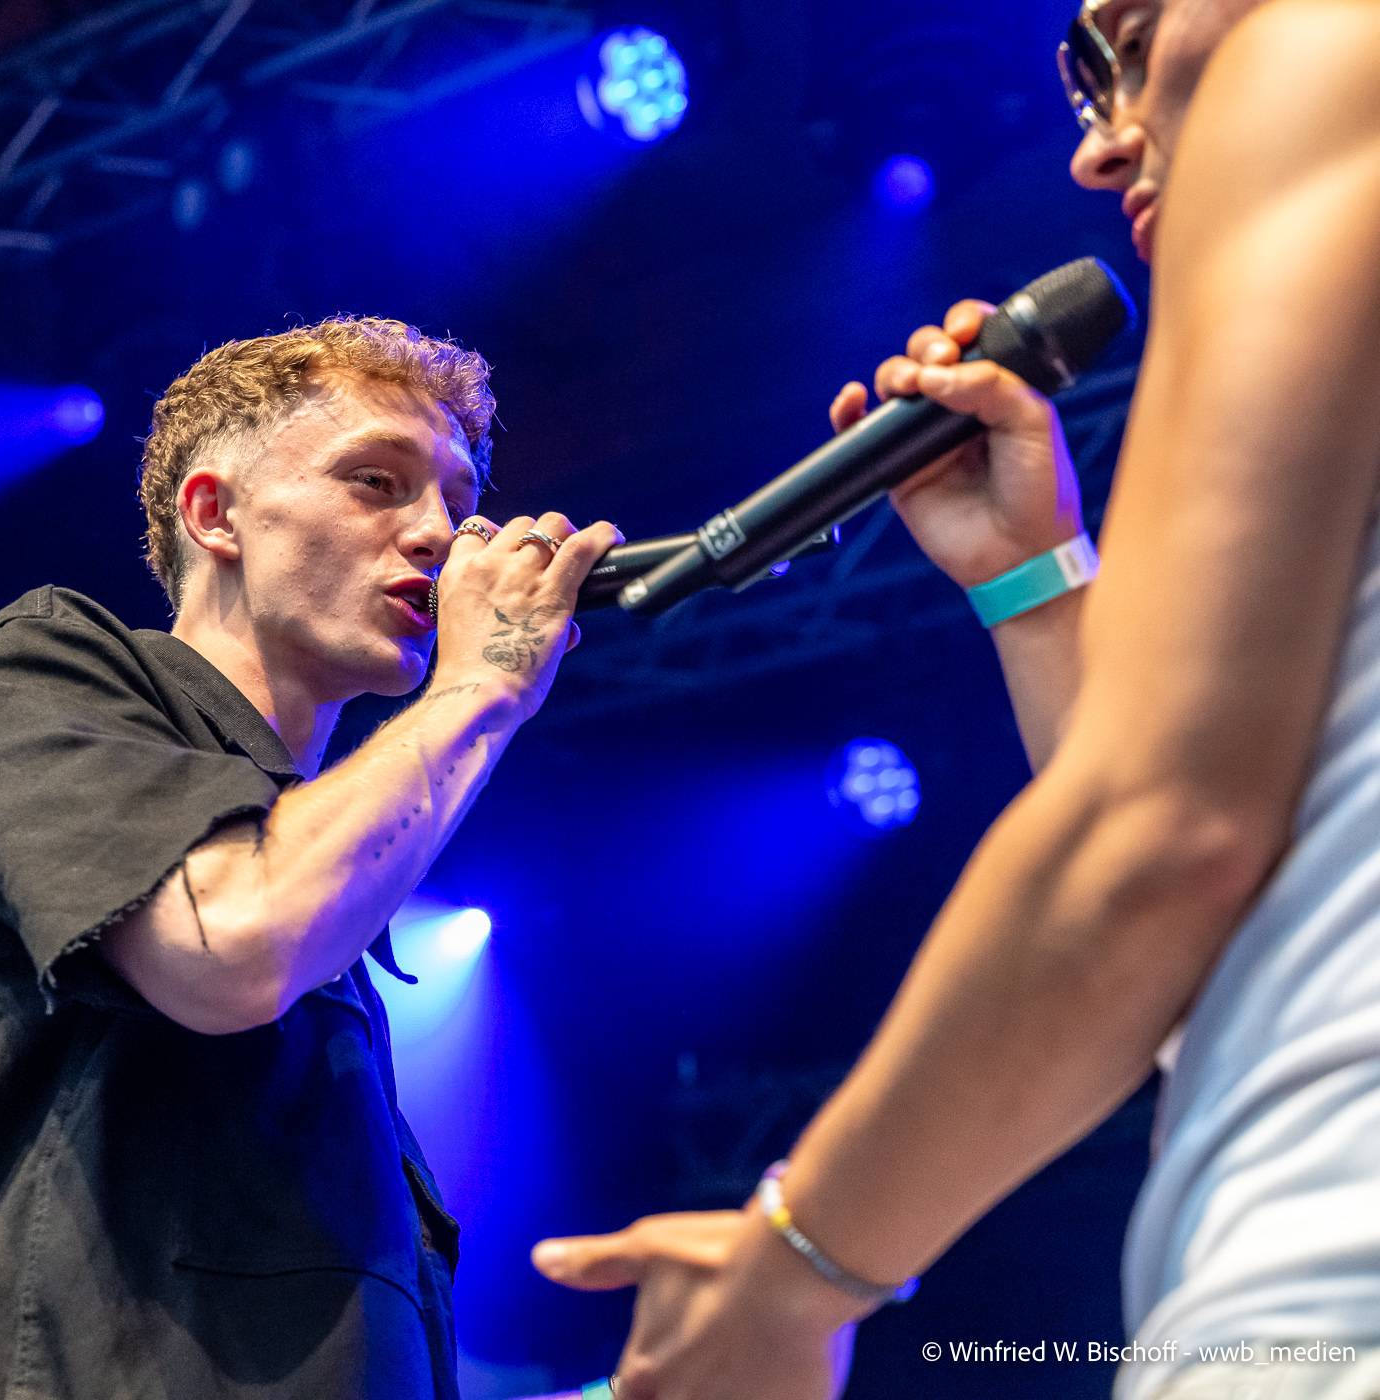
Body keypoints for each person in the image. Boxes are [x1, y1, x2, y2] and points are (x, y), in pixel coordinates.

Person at [531, 2, 1380, 1397]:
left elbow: (1154, 839)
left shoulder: (1324, 46)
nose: (1096, 146)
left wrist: (794, 1269)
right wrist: (1028, 578)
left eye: (1127, 41)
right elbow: (1213, 916)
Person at [0, 316, 621, 1399]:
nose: (441, 536)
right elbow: (230, 944)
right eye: (377, 481)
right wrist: (482, 687)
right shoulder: (44, 666)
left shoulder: (335, 873)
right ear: (214, 513)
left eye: (458, 502)